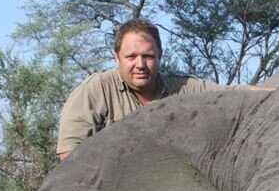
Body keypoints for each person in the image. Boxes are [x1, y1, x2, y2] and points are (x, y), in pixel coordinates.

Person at [57, 19, 250, 159]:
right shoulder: (97, 88)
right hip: (107, 188)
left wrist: (278, 90)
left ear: (160, 56)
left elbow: (232, 94)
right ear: (117, 57)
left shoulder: (183, 87)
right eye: (131, 57)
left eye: (148, 56)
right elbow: (68, 153)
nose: (140, 64)